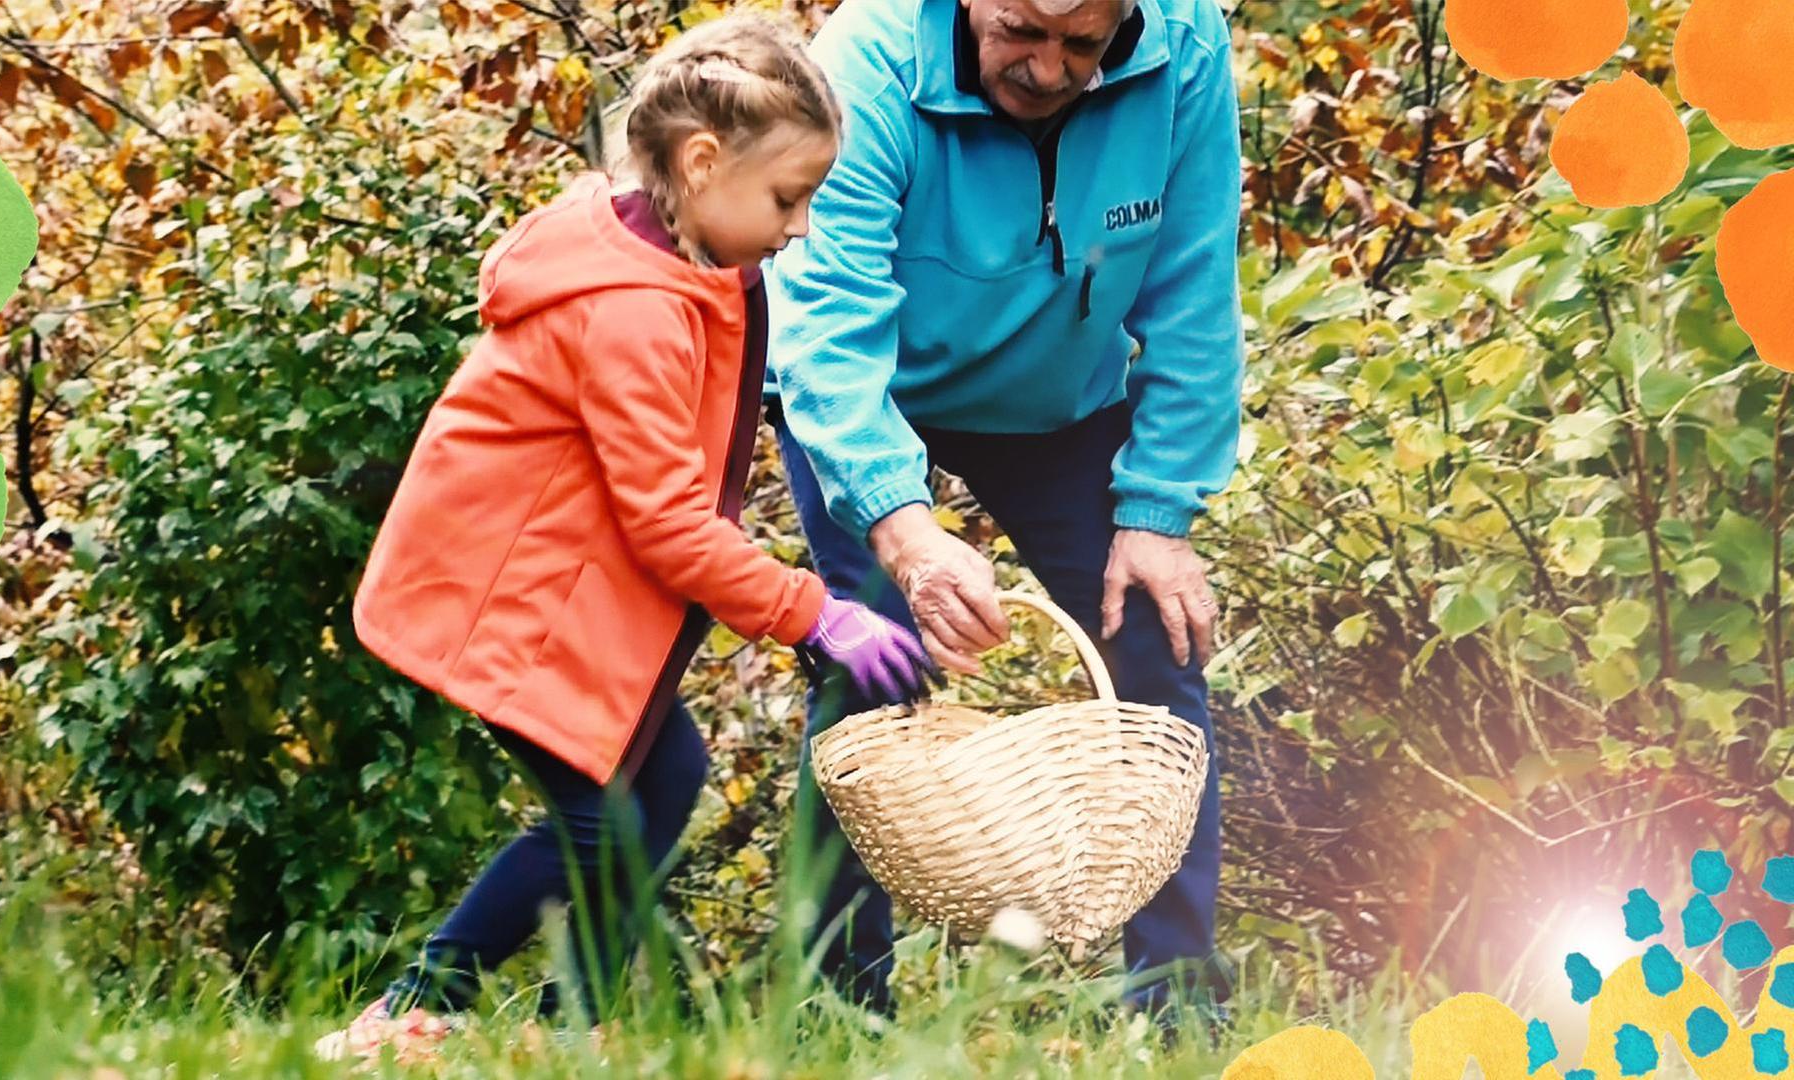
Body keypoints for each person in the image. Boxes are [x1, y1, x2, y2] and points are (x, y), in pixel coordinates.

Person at [314, 14, 935, 1063]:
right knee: (604, 818)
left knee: (663, 785)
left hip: (566, 597)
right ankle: (417, 1007)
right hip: (508, 599)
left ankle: (576, 1026)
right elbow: (666, 521)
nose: (801, 230)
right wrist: (813, 611)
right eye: (789, 199)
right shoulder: (632, 310)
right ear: (701, 164)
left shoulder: (684, 266)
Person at [765, 0, 1246, 1026]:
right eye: (1021, 30)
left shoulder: (1188, 45)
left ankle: (1178, 1009)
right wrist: (904, 528)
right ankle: (832, 1010)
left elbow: (1196, 285)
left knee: (1157, 649)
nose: (1048, 69)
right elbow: (829, 321)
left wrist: (1160, 511)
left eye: (1085, 42)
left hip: (1060, 398)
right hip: (874, 387)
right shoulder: (869, 59)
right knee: (875, 659)